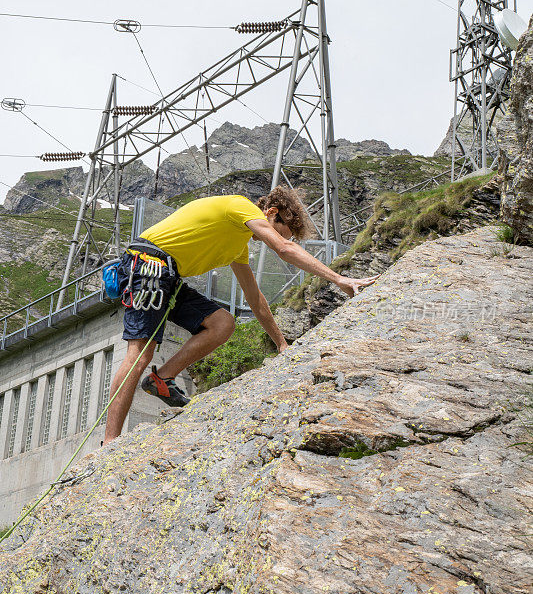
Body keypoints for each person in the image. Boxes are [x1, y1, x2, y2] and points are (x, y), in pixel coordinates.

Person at [103, 187, 378, 443]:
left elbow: (255, 299)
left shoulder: (238, 246)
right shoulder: (239, 206)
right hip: (148, 264)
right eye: (281, 232)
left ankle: (162, 379)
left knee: (222, 322)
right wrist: (338, 279)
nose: (279, 239)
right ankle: (109, 443)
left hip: (168, 275)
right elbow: (284, 249)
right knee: (139, 353)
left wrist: (281, 344)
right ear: (271, 213)